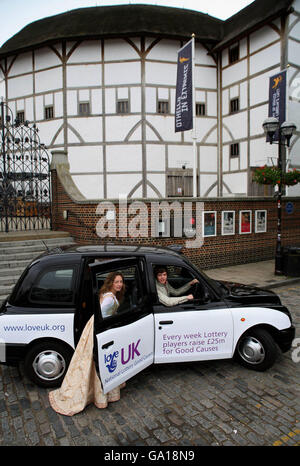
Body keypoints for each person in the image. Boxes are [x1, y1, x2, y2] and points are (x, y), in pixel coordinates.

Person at [49, 271, 126, 416]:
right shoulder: (109, 299)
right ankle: (99, 394)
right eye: (117, 282)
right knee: (98, 361)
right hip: (98, 328)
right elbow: (100, 314)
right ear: (111, 283)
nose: (119, 284)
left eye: (121, 282)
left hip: (96, 326)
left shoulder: (108, 294)